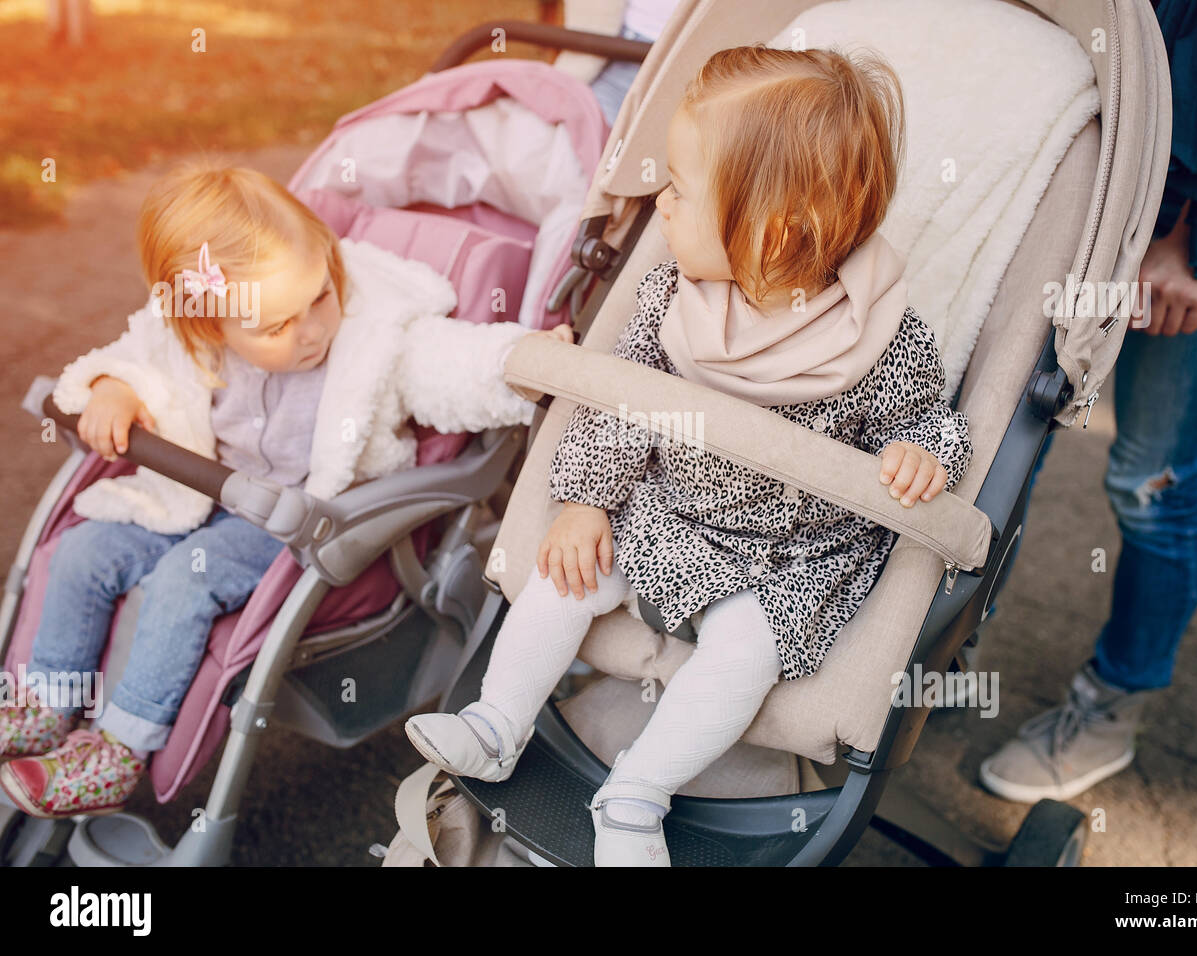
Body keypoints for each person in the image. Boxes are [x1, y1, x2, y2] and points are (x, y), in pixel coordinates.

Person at [406, 46, 974, 866]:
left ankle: (637, 794)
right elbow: (620, 396)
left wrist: (924, 451)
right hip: (669, 512)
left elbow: (927, 418)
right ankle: (498, 724)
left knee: (747, 651)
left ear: (774, 230)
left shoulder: (878, 338)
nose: (661, 204)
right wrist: (588, 500)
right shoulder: (674, 298)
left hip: (791, 554)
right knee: (567, 571)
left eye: (679, 188)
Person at [0, 164, 572, 817]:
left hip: (290, 527)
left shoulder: (373, 336)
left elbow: (451, 363)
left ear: (330, 265)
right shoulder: (190, 337)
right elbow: (138, 359)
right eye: (277, 327)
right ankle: (47, 701)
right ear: (209, 326)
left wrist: (523, 362)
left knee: (183, 586)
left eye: (320, 298)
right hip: (192, 496)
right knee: (82, 551)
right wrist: (112, 388)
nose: (311, 333)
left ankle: (120, 746)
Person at [980, 0, 1197, 803]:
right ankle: (942, 658)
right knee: (1001, 435)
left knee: (1151, 476)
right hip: (1099, 143)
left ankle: (1111, 704)